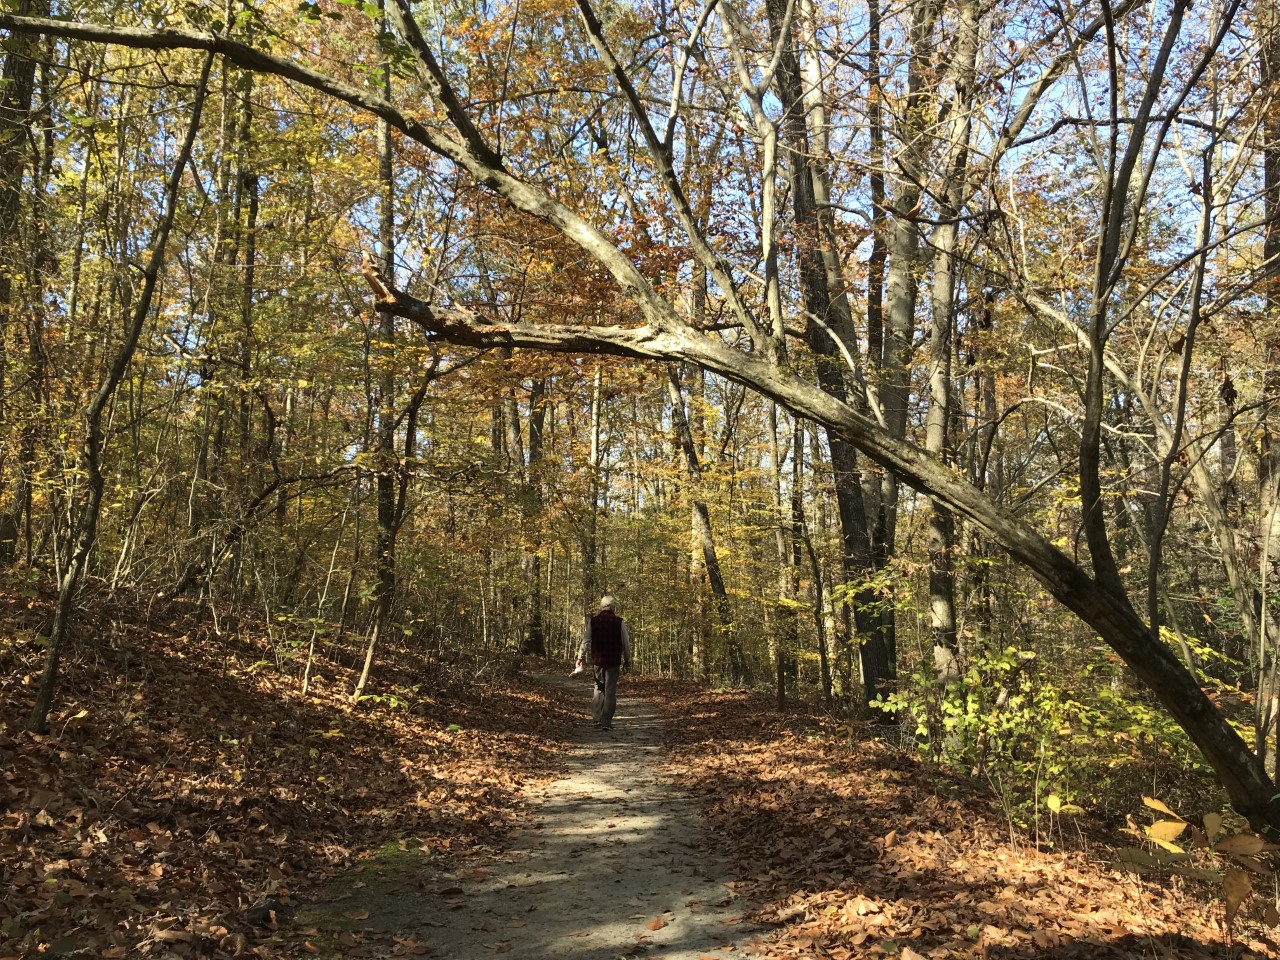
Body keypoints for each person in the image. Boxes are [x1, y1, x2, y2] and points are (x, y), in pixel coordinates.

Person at [575, 595, 632, 730]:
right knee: (610, 690)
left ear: (601, 607)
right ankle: (606, 722)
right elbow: (625, 642)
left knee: (598, 687)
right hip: (613, 661)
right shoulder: (619, 622)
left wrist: (580, 657)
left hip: (598, 661)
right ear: (612, 607)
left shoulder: (594, 621)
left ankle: (596, 719)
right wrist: (628, 659)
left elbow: (586, 640)